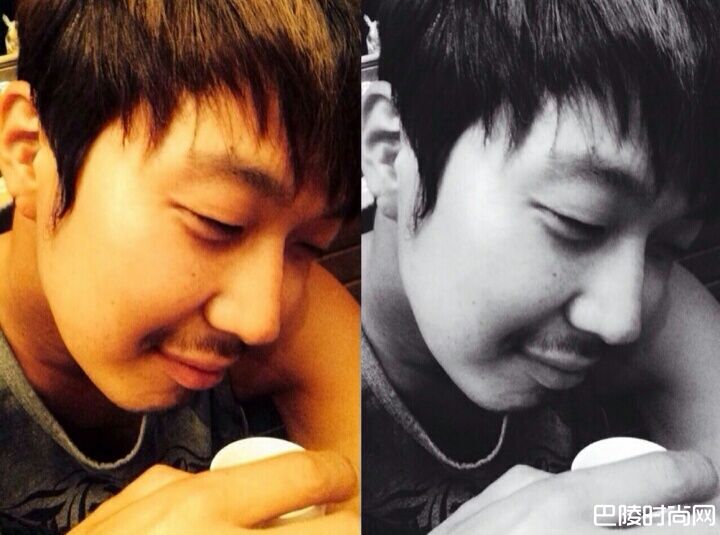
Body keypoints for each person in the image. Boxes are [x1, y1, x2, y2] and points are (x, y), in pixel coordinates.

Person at [0, 0, 360, 533]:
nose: (261, 321)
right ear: (29, 151)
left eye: (306, 246)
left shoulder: (291, 318)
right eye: (218, 221)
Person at [361, 0, 720, 533]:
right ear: (389, 152)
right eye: (579, 221)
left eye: (667, 247)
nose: (622, 321)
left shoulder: (658, 319)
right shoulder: (311, 341)